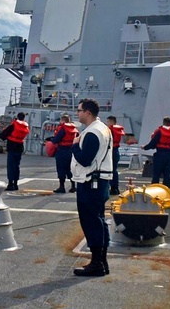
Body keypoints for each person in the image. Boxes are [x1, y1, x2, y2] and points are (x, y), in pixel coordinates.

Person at [71, 98, 114, 277]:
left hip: (91, 182)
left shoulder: (92, 133)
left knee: (91, 222)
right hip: (100, 181)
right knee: (99, 221)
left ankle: (97, 263)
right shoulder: (103, 129)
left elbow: (85, 158)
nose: (78, 113)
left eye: (80, 110)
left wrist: (74, 147)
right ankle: (101, 261)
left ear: (88, 112)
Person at [0, 112, 30, 191]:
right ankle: (16, 184)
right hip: (19, 147)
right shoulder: (25, 126)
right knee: (16, 166)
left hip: (12, 147)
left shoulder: (14, 125)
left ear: (17, 117)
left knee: (11, 166)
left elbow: (4, 134)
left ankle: (10, 183)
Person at [142, 117, 170, 189]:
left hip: (160, 154)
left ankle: (154, 188)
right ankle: (167, 189)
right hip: (169, 154)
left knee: (156, 174)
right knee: (167, 174)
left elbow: (153, 143)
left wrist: (145, 147)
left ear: (163, 122)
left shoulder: (160, 131)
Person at [48, 114, 78, 193]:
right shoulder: (74, 129)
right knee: (69, 169)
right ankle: (73, 186)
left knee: (61, 168)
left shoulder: (63, 128)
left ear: (63, 120)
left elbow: (56, 140)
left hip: (62, 150)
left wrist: (52, 140)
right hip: (71, 151)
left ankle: (62, 187)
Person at [105, 116, 126, 195]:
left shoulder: (110, 130)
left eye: (108, 122)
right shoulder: (117, 130)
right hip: (116, 150)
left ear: (111, 121)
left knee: (110, 170)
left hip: (111, 151)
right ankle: (115, 187)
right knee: (114, 170)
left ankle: (112, 188)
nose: (107, 124)